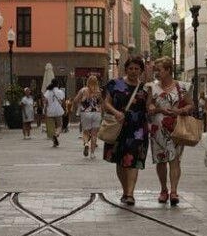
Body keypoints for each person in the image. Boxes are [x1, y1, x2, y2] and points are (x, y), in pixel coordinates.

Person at [103, 56, 152, 206]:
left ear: (141, 71)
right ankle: (125, 190)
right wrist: (116, 112)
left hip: (137, 130)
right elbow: (106, 103)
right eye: (131, 68)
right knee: (120, 161)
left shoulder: (145, 88)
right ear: (126, 69)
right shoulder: (114, 84)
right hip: (118, 128)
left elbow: (148, 107)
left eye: (136, 69)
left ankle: (130, 193)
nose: (133, 71)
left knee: (133, 161)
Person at [147, 57, 193, 205]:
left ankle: (173, 191)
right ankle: (163, 189)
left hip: (176, 128)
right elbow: (149, 108)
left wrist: (179, 110)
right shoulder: (152, 88)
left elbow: (191, 105)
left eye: (159, 70)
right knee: (161, 160)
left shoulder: (182, 87)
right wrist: (159, 109)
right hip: (158, 129)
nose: (157, 73)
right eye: (156, 70)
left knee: (175, 159)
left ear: (168, 70)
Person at [74, 76, 104, 159]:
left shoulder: (82, 91)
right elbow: (102, 103)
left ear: (87, 82)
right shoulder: (98, 92)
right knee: (94, 134)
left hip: (85, 114)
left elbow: (75, 100)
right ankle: (92, 154)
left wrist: (80, 104)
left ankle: (86, 144)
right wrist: (102, 114)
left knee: (85, 133)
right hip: (96, 114)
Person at [44, 79, 66, 147]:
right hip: (58, 111)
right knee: (59, 125)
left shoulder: (47, 92)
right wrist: (65, 110)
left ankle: (54, 141)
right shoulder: (60, 92)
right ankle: (56, 135)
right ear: (58, 84)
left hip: (50, 111)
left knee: (51, 127)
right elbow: (63, 102)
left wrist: (45, 110)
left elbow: (45, 102)